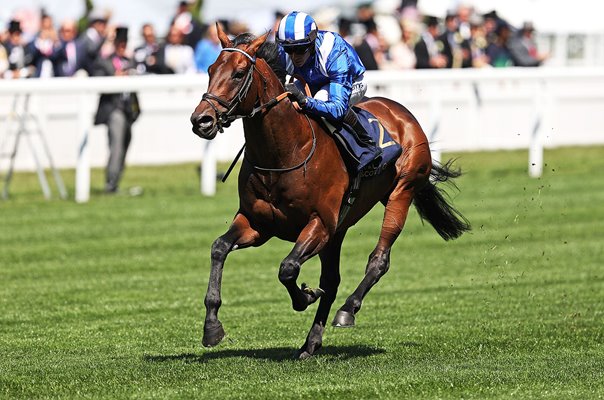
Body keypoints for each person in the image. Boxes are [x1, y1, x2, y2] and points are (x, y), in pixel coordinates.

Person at [275, 11, 382, 168]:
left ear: (311, 42)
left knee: (320, 103)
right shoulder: (284, 53)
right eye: (288, 49)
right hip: (314, 82)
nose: (293, 56)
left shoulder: (332, 50)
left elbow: (337, 108)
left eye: (300, 49)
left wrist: (305, 101)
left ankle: (367, 146)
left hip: (352, 81)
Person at [92, 27, 141, 194]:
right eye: (120, 43)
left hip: (128, 111)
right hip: (114, 110)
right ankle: (110, 183)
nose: (122, 46)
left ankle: (115, 182)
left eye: (124, 43)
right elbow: (96, 78)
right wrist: (115, 77)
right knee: (117, 147)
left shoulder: (131, 61)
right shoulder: (105, 62)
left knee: (125, 145)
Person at [78, 9, 108, 75]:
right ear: (93, 24)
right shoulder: (87, 36)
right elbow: (92, 51)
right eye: (100, 23)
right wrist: (104, 37)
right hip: (90, 72)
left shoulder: (97, 36)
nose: (103, 26)